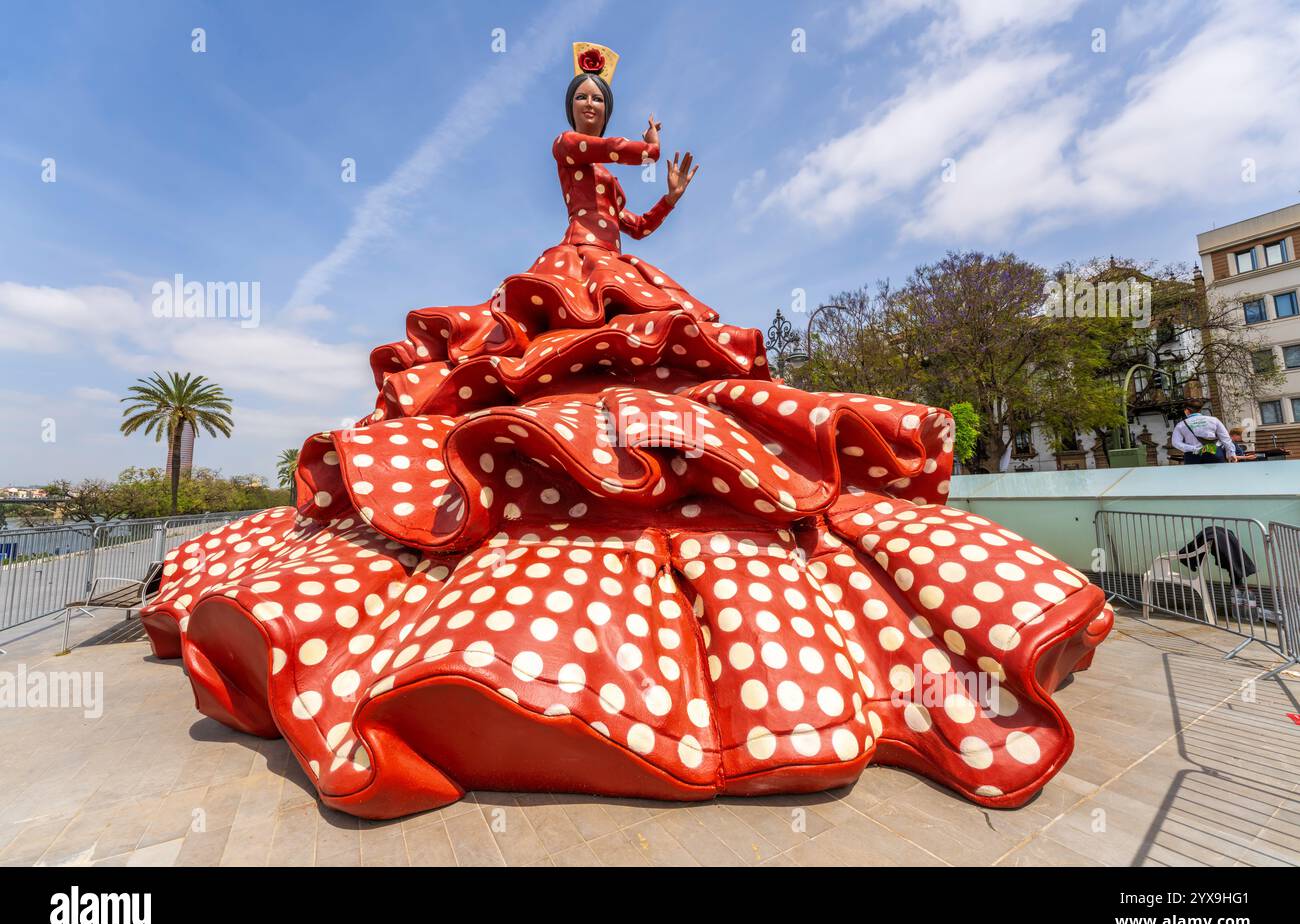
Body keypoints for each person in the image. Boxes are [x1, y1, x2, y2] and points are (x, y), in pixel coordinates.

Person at [138, 41, 1113, 820]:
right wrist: (638, 143)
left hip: (617, 265)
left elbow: (634, 226)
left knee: (680, 400)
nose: (591, 118)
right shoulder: (573, 149)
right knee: (538, 393)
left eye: (600, 110)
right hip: (571, 267)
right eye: (587, 109)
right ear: (576, 116)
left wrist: (670, 191)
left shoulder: (609, 179)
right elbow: (602, 171)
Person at [1171, 400, 1238, 463]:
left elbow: (1176, 443)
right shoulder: (1214, 420)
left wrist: (1193, 448)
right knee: (1217, 475)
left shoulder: (1181, 425)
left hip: (1193, 456)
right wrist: (1231, 453)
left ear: (1187, 411)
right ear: (1200, 410)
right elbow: (1225, 438)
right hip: (1214, 452)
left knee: (1194, 475)